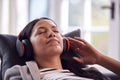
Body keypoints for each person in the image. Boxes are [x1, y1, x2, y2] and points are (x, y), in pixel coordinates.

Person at [4, 17, 94, 80]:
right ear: (26, 45)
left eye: (55, 31)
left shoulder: (88, 72)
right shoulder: (22, 74)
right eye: (41, 32)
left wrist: (100, 59)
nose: (52, 34)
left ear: (64, 43)